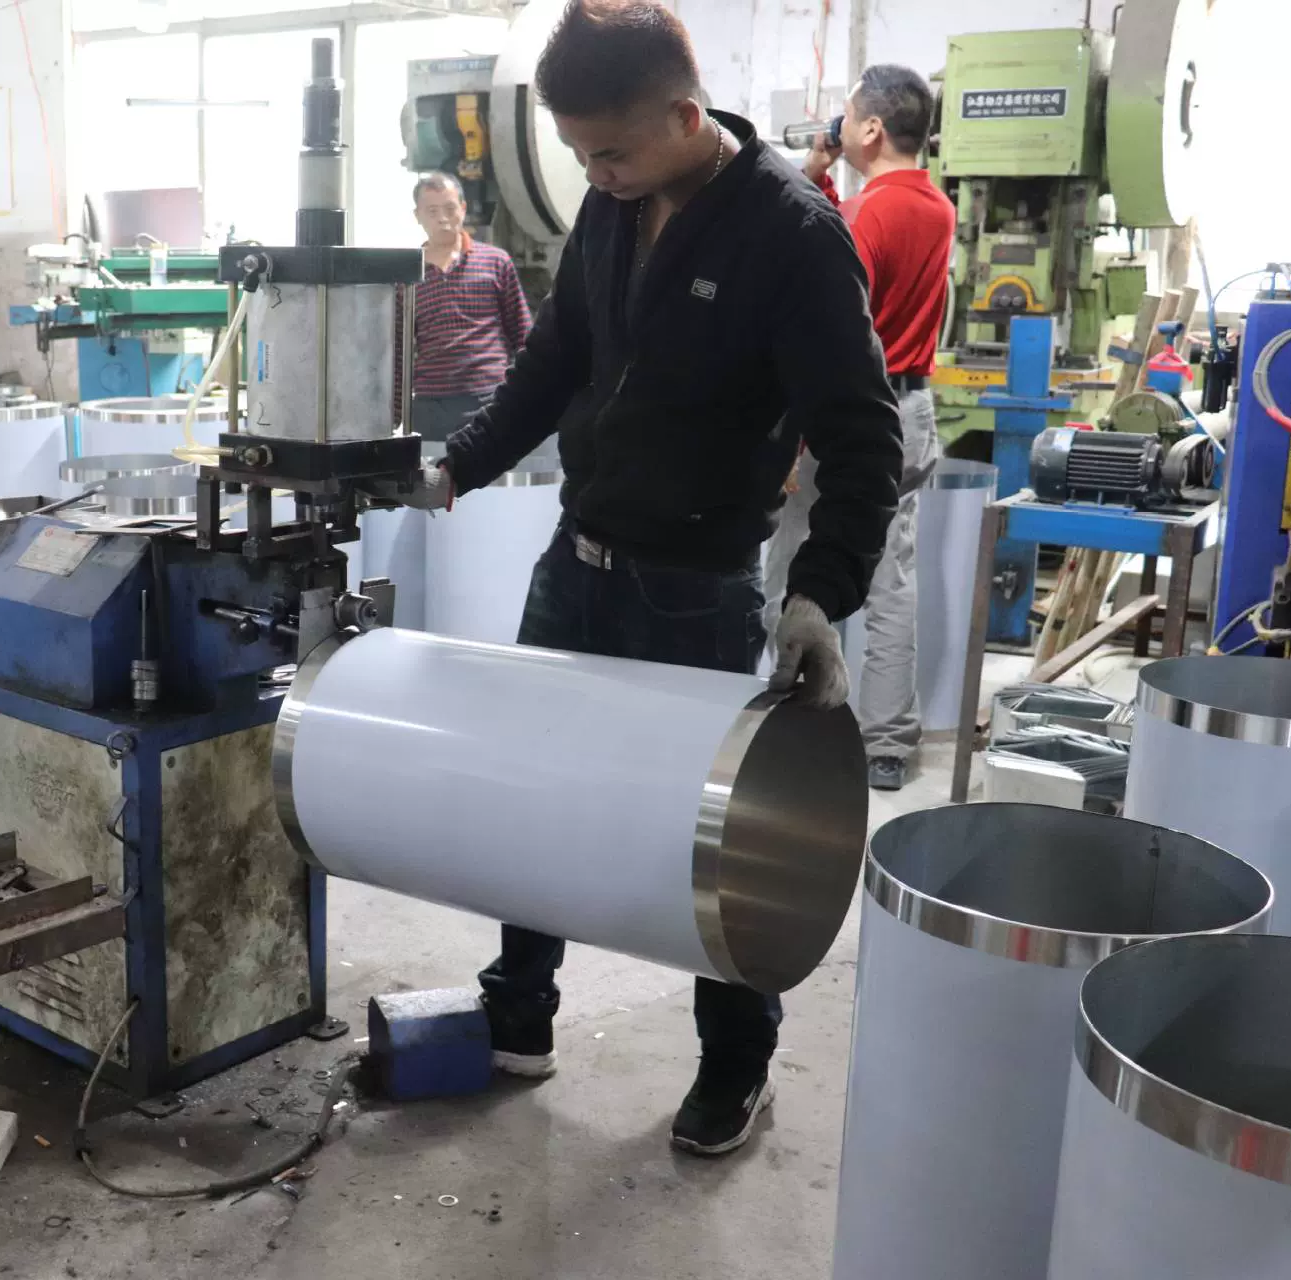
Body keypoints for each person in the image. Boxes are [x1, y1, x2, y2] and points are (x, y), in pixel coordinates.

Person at [406, 0, 900, 1158]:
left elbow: (864, 435)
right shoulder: (610, 207)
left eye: (611, 153)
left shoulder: (793, 235)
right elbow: (554, 360)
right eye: (580, 154)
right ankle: (519, 1012)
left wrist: (820, 592)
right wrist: (459, 464)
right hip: (575, 561)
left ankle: (736, 1061)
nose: (596, 174)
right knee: (530, 794)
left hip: (696, 587)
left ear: (686, 115)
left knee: (713, 841)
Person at [767, 64, 953, 792]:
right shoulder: (933, 206)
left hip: (849, 417)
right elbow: (849, 241)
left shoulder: (869, 215)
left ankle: (789, 734)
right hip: (912, 410)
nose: (837, 127)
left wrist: (793, 439)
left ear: (872, 128)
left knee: (795, 573)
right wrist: (823, 177)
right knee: (889, 581)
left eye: (846, 117)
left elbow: (832, 322)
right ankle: (886, 745)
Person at [406, 172, 533, 441]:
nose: (443, 218)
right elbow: (398, 350)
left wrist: (525, 396)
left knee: (495, 467)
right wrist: (395, 413)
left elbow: (523, 334)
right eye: (432, 211)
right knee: (433, 469)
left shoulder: (496, 262)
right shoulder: (407, 276)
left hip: (491, 399)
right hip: (430, 406)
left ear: (463, 209)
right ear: (417, 215)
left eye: (450, 208)